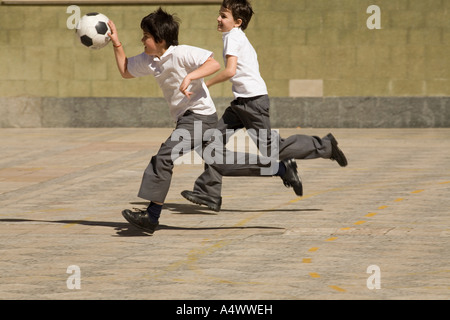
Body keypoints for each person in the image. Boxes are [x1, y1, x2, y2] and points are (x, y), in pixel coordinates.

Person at [108, 7, 302, 234]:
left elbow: (213, 64)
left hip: (198, 117)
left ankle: (151, 216)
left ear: (160, 39)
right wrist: (116, 43)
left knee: (164, 156)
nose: (142, 40)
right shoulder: (150, 60)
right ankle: (281, 169)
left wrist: (191, 76)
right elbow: (125, 70)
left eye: (146, 36)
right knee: (222, 163)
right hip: (191, 119)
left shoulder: (182, 53)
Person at [181, 0, 348, 212]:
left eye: (224, 16)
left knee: (273, 148)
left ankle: (325, 147)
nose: (218, 19)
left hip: (252, 102)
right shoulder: (235, 36)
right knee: (210, 140)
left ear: (237, 22)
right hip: (242, 102)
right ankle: (209, 193)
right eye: (219, 14)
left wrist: (204, 84)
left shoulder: (233, 36)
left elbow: (230, 71)